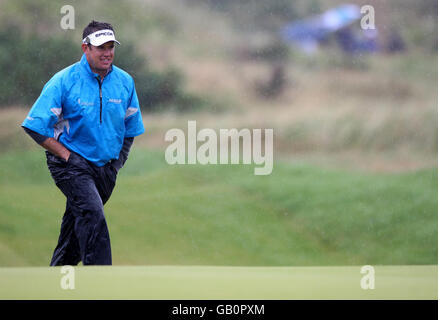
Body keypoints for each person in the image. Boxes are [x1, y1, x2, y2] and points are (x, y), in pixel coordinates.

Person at [21, 20, 145, 266]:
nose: (107, 53)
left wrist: (116, 164)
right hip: (70, 164)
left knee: (74, 232)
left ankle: (57, 280)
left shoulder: (124, 81)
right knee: (92, 216)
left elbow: (130, 128)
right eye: (101, 47)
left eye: (111, 47)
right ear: (85, 47)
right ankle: (101, 283)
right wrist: (67, 156)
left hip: (106, 168)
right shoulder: (64, 80)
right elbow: (34, 125)